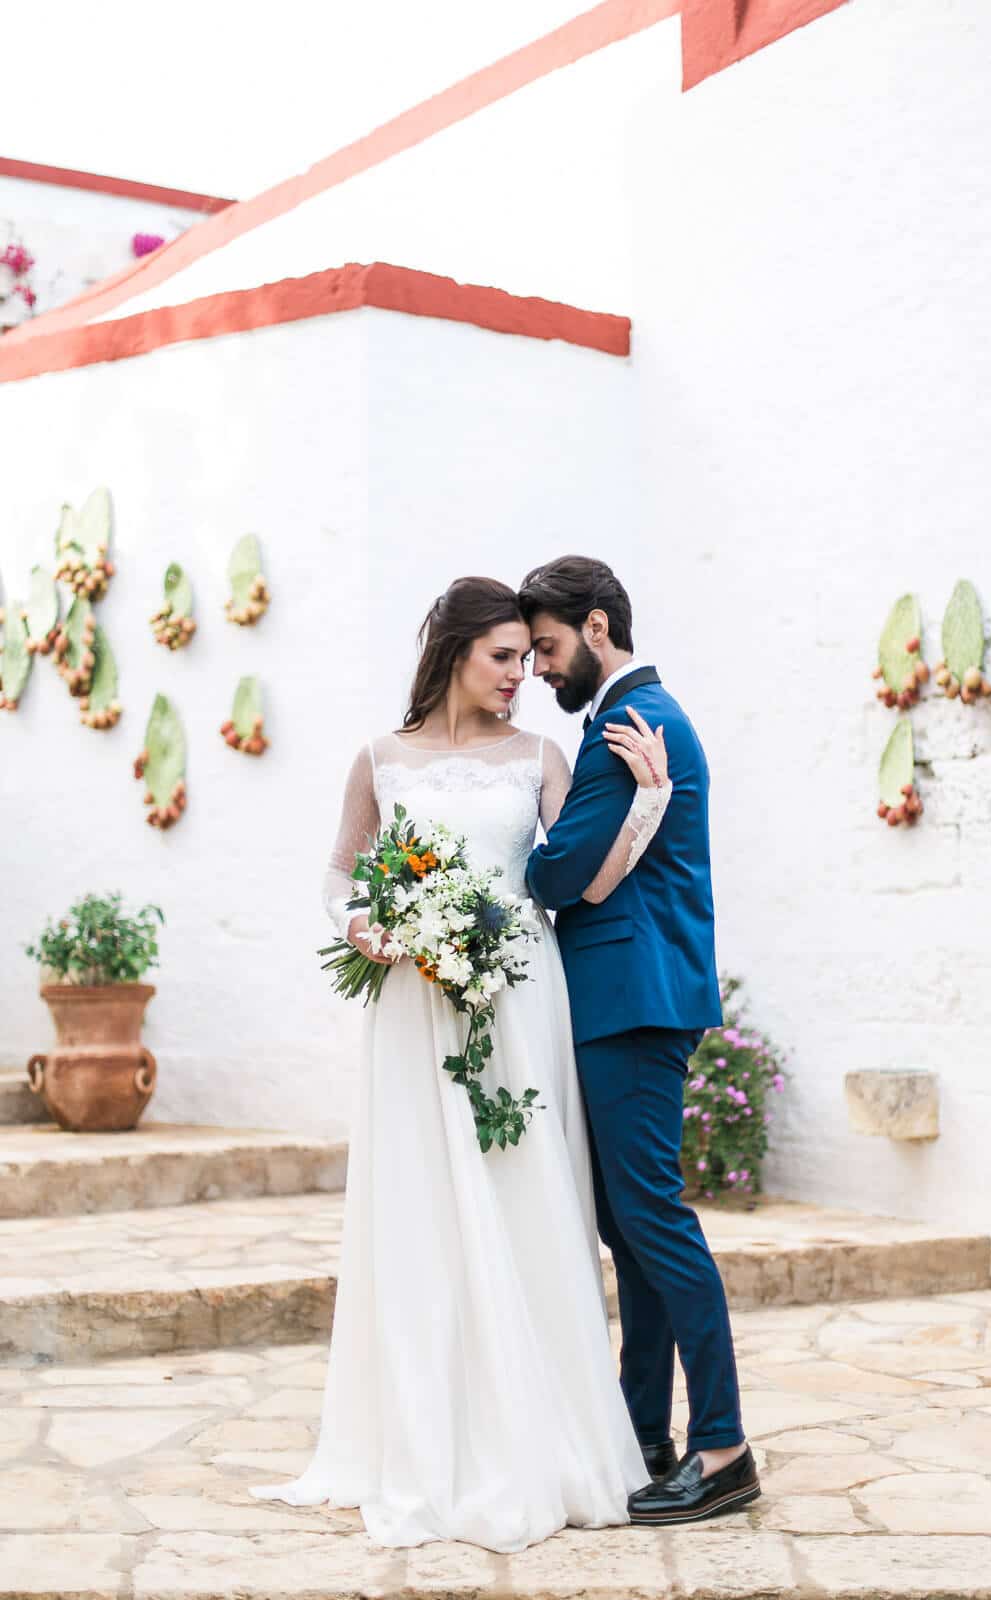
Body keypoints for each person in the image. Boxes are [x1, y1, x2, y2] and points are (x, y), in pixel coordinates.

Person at [250, 576, 673, 1551]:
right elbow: (338, 874)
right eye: (501, 657)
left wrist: (646, 798)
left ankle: (538, 1429)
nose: (519, 676)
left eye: (527, 658)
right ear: (450, 653)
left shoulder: (541, 755)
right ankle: (424, 1431)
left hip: (518, 1004)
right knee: (419, 1209)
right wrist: (364, 926)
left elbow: (581, 878)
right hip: (410, 1011)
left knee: (524, 1195)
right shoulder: (378, 757)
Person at [520, 555, 760, 1527]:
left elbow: (553, 871)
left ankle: (723, 1445)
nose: (538, 667)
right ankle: (645, 1430)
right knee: (630, 1225)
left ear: (596, 625)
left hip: (632, 997)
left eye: (544, 646)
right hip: (628, 996)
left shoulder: (634, 725)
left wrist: (546, 863)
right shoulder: (629, 721)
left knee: (652, 1218)